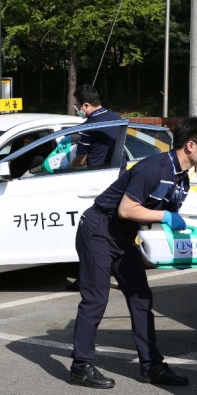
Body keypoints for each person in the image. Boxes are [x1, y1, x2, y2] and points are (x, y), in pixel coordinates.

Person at [69, 116, 197, 389]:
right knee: (96, 300)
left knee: (141, 297)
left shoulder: (182, 181)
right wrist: (167, 217)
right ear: (191, 145)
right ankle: (80, 367)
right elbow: (126, 209)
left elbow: (154, 222)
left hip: (124, 236)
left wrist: (177, 253)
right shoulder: (153, 168)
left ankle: (152, 367)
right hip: (99, 229)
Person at [66, 85, 124, 291]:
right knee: (115, 231)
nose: (76, 109)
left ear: (86, 105)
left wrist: (67, 167)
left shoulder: (89, 126)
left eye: (77, 105)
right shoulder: (116, 117)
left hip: (95, 179)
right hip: (119, 177)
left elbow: (81, 158)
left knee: (90, 234)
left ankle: (88, 280)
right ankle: (120, 274)